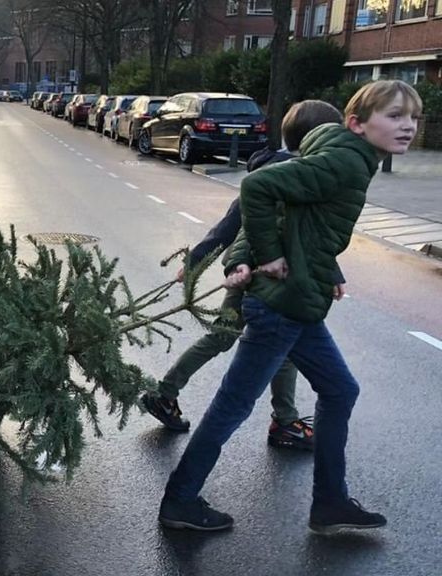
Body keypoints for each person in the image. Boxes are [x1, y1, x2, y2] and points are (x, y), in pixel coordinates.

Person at [158, 80, 422, 534]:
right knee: (233, 405)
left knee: (340, 390)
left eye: (413, 117)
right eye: (395, 116)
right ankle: (180, 501)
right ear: (356, 123)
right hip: (282, 306)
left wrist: (322, 267)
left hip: (298, 303)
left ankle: (331, 504)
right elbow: (258, 187)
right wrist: (264, 256)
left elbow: (296, 219)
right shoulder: (345, 162)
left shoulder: (344, 155)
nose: (408, 126)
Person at [141, 100, 346, 452]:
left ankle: (168, 394)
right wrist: (195, 262)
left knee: (247, 341)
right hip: (261, 276)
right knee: (273, 346)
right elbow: (235, 226)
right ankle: (283, 422)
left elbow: (303, 234)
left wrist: (332, 271)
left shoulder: (289, 172)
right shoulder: (291, 175)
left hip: (265, 275)